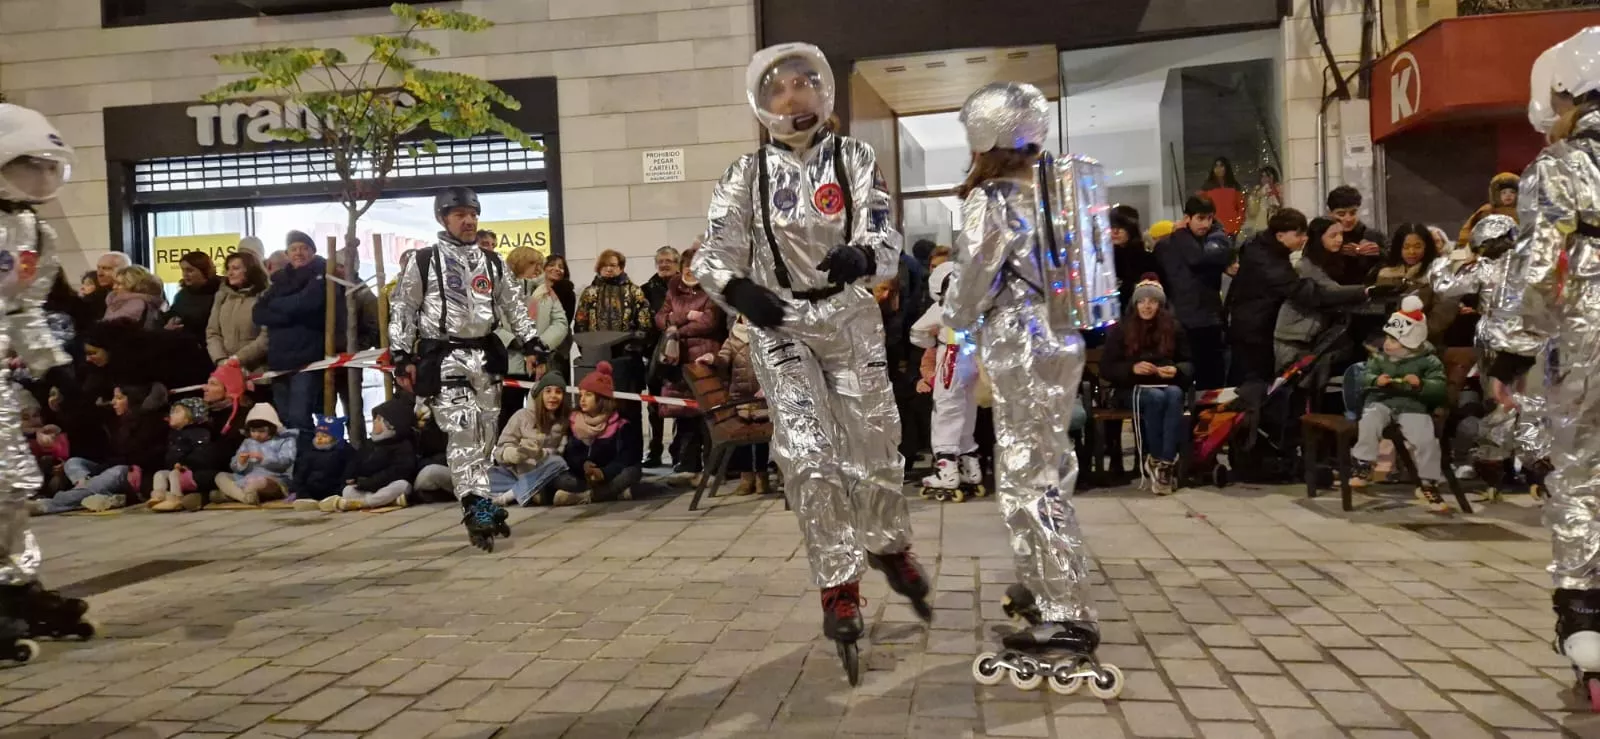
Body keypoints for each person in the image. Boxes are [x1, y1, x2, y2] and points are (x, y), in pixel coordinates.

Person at [692, 42, 931, 684]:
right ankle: (838, 585)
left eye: (803, 84)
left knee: (877, 447)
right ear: (765, 103)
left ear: (821, 92)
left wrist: (865, 255)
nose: (793, 97)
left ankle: (887, 545)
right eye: (780, 89)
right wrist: (737, 289)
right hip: (781, 324)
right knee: (808, 454)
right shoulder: (746, 175)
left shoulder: (854, 157)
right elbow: (713, 251)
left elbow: (883, 229)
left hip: (849, 316)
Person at [949, 82, 1121, 694]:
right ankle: (1041, 579)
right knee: (1051, 462)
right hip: (1064, 335)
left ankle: (1063, 610)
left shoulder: (989, 199)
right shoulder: (1059, 192)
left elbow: (974, 276)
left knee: (1024, 475)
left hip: (1018, 335)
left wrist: (953, 320)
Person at [1479, 27, 1600, 697]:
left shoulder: (1560, 165)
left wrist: (1510, 346)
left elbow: (1535, 264)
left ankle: (1585, 622)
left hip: (1590, 334)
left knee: (1582, 475)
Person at [389, 187, 544, 553]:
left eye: (472, 213)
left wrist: (532, 342)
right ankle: (476, 507)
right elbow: (403, 308)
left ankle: (483, 500)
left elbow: (514, 306)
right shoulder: (424, 261)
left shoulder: (492, 262)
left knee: (486, 438)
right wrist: (400, 352)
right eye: (459, 214)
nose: (469, 220)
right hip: (444, 358)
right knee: (463, 432)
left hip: (486, 358)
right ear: (443, 219)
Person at [1430, 214, 1553, 492]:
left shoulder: (1486, 268)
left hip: (1498, 342)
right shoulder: (1534, 265)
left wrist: (1450, 259)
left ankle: (1497, 464)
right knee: (1529, 404)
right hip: (1534, 341)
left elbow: (1442, 284)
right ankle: (1534, 467)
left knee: (1502, 403)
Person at [1350, 296, 1450, 509]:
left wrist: (1421, 384)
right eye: (1387, 338)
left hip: (1413, 405)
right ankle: (1364, 463)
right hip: (1381, 400)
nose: (1387, 343)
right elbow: (1365, 377)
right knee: (1369, 420)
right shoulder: (1379, 359)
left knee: (1425, 439)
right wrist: (1375, 381)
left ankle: (1428, 482)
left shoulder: (1429, 361)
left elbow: (1439, 388)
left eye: (1394, 340)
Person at [1100, 278, 1190, 494]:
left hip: (1165, 384)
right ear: (1135, 304)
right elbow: (1107, 368)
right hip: (1130, 389)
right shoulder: (1121, 329)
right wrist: (1132, 369)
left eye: (1152, 302)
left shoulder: (1173, 328)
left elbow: (1189, 361)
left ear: (1160, 305)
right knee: (1156, 398)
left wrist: (1177, 370)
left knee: (1175, 394)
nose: (1147, 306)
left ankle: (1164, 463)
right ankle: (1157, 458)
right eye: (1142, 302)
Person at [254, 231, 342, 434]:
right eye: (294, 249)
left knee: (299, 417)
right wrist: (291, 313)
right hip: (279, 360)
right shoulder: (279, 280)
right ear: (287, 253)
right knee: (283, 418)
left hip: (307, 359)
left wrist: (278, 307)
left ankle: (306, 459)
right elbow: (259, 313)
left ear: (313, 251)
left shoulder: (323, 275)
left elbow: (309, 303)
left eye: (304, 248)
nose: (298, 253)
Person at [909, 260, 981, 501]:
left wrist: (931, 343)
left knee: (946, 414)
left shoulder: (940, 309)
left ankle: (947, 472)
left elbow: (917, 332)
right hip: (973, 362)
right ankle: (971, 469)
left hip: (950, 362)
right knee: (967, 413)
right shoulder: (975, 306)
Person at [655, 245, 722, 476]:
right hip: (678, 360)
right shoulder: (674, 287)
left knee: (707, 416)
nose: (690, 271)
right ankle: (687, 465)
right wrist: (686, 316)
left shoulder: (712, 289)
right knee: (683, 416)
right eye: (686, 267)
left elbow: (710, 323)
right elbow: (660, 318)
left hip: (703, 360)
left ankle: (711, 468)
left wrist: (676, 327)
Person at [1152, 195, 1232, 389]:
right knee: (1179, 379)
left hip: (1208, 319)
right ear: (1188, 218)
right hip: (1178, 320)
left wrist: (1180, 233)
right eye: (1200, 218)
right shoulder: (1165, 246)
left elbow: (1198, 258)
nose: (1205, 223)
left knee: (1211, 381)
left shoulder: (1215, 241)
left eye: (1210, 218)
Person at [552, 362, 642, 505]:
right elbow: (570, 454)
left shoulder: (620, 425)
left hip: (609, 475)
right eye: (580, 395)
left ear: (601, 399)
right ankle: (612, 493)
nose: (582, 399)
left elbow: (625, 458)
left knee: (633, 471)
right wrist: (583, 465)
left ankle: (586, 496)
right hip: (582, 477)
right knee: (560, 478)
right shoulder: (574, 422)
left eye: (588, 395)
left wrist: (604, 473)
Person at [319, 395, 417, 512]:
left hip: (385, 485)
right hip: (366, 487)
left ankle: (362, 503)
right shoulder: (369, 444)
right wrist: (354, 479)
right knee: (347, 490)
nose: (374, 421)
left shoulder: (402, 446)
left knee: (403, 485)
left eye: (378, 419)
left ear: (389, 424)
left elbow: (398, 471)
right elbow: (356, 464)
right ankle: (383, 502)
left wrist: (370, 482)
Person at [490, 371, 570, 507]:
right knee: (479, 479)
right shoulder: (521, 416)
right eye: (548, 391)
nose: (553, 396)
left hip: (544, 475)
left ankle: (509, 496)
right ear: (540, 394)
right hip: (513, 473)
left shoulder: (564, 422)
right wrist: (514, 454)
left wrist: (541, 454)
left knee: (558, 462)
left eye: (558, 392)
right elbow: (500, 450)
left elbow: (561, 456)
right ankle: (527, 492)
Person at [641, 245, 679, 468]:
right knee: (654, 405)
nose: (664, 265)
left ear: (677, 264)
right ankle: (654, 449)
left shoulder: (684, 287)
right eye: (660, 261)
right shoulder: (646, 289)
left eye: (668, 261)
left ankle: (677, 451)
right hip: (654, 354)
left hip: (678, 353)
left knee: (678, 403)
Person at [148, 397, 219, 513]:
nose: (172, 415)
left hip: (191, 470)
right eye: (172, 412)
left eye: (177, 412)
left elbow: (201, 453)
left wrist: (186, 464)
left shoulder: (199, 433)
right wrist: (172, 463)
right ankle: (159, 496)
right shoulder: (174, 435)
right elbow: (172, 454)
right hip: (176, 467)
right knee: (160, 474)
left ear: (190, 417)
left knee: (174, 475)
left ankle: (176, 498)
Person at [215, 403, 295, 505]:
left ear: (272, 428)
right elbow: (234, 466)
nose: (257, 434)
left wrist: (264, 458)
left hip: (273, 479)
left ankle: (231, 494)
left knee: (257, 483)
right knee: (220, 476)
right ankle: (245, 497)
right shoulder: (247, 442)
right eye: (253, 431)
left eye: (262, 431)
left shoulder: (285, 440)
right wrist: (240, 462)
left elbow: (286, 461)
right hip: (246, 478)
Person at [205, 251, 270, 374]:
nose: (230, 273)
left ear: (250, 271)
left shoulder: (265, 296)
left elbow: (266, 336)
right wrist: (221, 360)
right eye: (228, 268)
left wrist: (238, 359)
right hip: (226, 371)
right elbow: (212, 333)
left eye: (235, 268)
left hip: (258, 372)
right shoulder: (222, 297)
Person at [572, 249, 651, 334]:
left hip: (627, 344)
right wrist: (585, 345)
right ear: (599, 268)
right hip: (596, 345)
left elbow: (644, 321)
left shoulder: (634, 291)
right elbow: (580, 321)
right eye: (604, 265)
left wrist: (635, 344)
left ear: (621, 268)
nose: (608, 269)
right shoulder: (589, 292)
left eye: (613, 265)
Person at [290, 416, 351, 507]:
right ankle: (306, 500)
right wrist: (299, 490)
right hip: (310, 490)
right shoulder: (308, 452)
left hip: (333, 490)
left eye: (324, 436)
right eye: (317, 435)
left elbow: (347, 473)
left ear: (336, 438)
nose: (319, 439)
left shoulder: (344, 452)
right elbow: (300, 474)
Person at [1326, 185, 1385, 278]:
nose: (1348, 219)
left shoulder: (1373, 236)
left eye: (1353, 213)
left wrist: (1380, 252)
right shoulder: (1322, 236)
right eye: (1341, 214)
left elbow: (1396, 258)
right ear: (1330, 213)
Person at [163, 251, 221, 344]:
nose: (185, 274)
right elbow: (173, 314)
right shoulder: (182, 294)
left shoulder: (222, 292)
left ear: (204, 271)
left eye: (190, 270)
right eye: (183, 270)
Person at [1110, 205, 1159, 313]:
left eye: (1121, 226)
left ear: (1131, 228)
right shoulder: (1105, 261)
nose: (1115, 231)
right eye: (1112, 226)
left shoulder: (1147, 259)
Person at [1456, 172, 1521, 248]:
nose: (1508, 195)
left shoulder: (1522, 211)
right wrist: (1463, 244)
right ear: (1497, 194)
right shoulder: (1488, 210)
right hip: (1490, 248)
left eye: (1512, 192)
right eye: (1504, 193)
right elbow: (1469, 227)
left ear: (1518, 194)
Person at [102, 265, 165, 330]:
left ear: (132, 284)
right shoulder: (117, 302)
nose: (114, 287)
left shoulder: (136, 303)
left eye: (119, 284)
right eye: (114, 283)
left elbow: (116, 332)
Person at [1198, 156, 1245, 237]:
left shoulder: (1234, 187)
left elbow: (1241, 208)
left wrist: (1238, 224)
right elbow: (1201, 209)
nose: (1218, 169)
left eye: (1221, 166)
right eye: (1216, 166)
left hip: (1233, 228)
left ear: (1226, 168)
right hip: (1213, 229)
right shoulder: (1206, 188)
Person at [1243, 165, 1283, 238]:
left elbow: (1280, 205)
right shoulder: (1257, 191)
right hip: (1260, 227)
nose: (1265, 179)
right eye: (1263, 176)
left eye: (1268, 176)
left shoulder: (1279, 189)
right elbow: (1252, 211)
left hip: (1276, 226)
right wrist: (1258, 195)